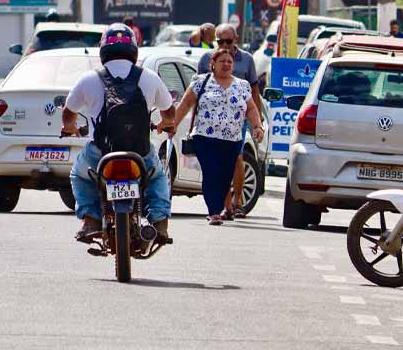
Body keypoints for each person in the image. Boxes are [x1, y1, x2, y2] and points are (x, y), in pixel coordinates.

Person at [62, 23, 176, 240]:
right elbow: (169, 113)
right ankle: (160, 223)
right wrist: (164, 125)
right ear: (134, 48)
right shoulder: (149, 77)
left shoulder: (89, 79)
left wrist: (69, 128)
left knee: (79, 175)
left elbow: (68, 113)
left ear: (103, 48)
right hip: (140, 152)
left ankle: (91, 220)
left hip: (101, 153)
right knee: (158, 177)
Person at [176, 47, 265, 225]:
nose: (226, 64)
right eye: (222, 61)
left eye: (229, 62)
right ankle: (214, 211)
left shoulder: (242, 85)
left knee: (225, 175)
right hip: (205, 137)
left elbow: (251, 108)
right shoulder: (200, 81)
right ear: (213, 64)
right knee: (211, 173)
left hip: (232, 139)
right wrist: (173, 124)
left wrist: (257, 126)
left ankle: (220, 206)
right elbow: (186, 104)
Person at [197, 23, 263, 218]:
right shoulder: (206, 59)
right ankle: (225, 205)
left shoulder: (247, 60)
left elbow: (254, 92)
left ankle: (238, 200)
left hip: (238, 120)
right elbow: (197, 89)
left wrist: (256, 123)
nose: (224, 44)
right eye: (220, 41)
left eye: (228, 40)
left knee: (237, 158)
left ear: (236, 39)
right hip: (211, 122)